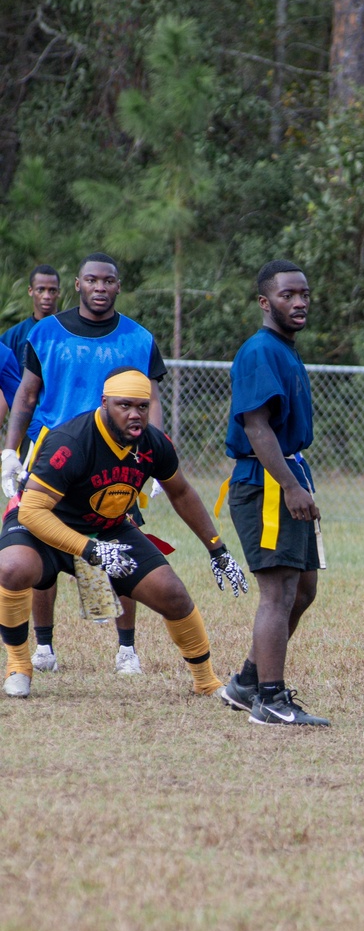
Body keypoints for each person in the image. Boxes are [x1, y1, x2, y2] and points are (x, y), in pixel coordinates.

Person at [0, 368, 247, 700]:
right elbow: (31, 511)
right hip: (44, 526)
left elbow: (182, 493)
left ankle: (206, 681)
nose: (135, 414)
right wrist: (89, 549)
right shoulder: (71, 442)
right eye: (124, 405)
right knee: (12, 567)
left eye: (142, 406)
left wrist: (218, 549)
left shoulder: (153, 443)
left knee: (172, 593)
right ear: (104, 403)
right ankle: (18, 665)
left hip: (107, 527)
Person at [1, 254, 167, 677]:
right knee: (40, 552)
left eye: (108, 281)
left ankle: (126, 649)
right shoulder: (46, 332)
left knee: (122, 550)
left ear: (118, 286)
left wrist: (156, 450)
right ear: (77, 284)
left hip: (115, 462)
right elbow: (26, 395)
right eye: (91, 280)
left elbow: (153, 401)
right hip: (54, 458)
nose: (99, 287)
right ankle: (44, 647)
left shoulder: (139, 338)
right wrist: (10, 450)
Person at [219, 259, 328, 727]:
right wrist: (288, 485)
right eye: (288, 295)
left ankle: (246, 682)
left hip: (288, 475)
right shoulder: (260, 350)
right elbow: (256, 425)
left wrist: (296, 481)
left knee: (303, 589)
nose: (299, 302)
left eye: (304, 293)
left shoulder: (285, 348)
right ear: (266, 303)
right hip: (266, 484)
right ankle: (270, 700)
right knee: (278, 592)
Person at [1, 264, 61, 372]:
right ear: (30, 290)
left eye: (52, 290)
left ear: (59, 292)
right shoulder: (14, 336)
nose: (46, 296)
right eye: (40, 290)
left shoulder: (70, 329)